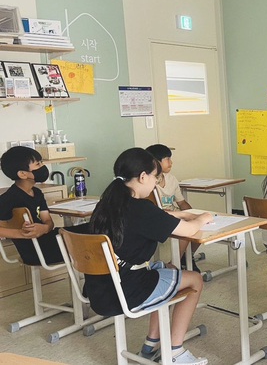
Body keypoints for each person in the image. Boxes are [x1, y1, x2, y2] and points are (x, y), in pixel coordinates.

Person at [84, 148, 212, 365]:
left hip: (101, 287)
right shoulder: (142, 208)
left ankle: (151, 344)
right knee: (195, 280)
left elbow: (146, 219)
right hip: (128, 289)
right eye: (155, 177)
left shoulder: (106, 204)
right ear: (143, 176)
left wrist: (175, 215)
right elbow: (190, 231)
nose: (155, 183)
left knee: (169, 270)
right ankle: (175, 351)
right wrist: (203, 218)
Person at [0, 146, 60, 266]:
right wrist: (22, 234)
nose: (43, 166)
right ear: (22, 174)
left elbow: (48, 221)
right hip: (34, 252)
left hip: (47, 242)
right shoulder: (8, 198)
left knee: (88, 230)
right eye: (38, 164)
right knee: (83, 236)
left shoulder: (37, 193)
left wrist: (44, 228)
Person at [145, 144, 200, 272]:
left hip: (174, 214)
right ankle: (175, 263)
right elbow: (156, 211)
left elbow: (181, 203)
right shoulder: (149, 182)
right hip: (161, 217)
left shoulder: (172, 179)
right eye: (167, 159)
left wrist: (194, 214)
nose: (171, 162)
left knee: (199, 226)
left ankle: (187, 257)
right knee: (185, 228)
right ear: (156, 162)